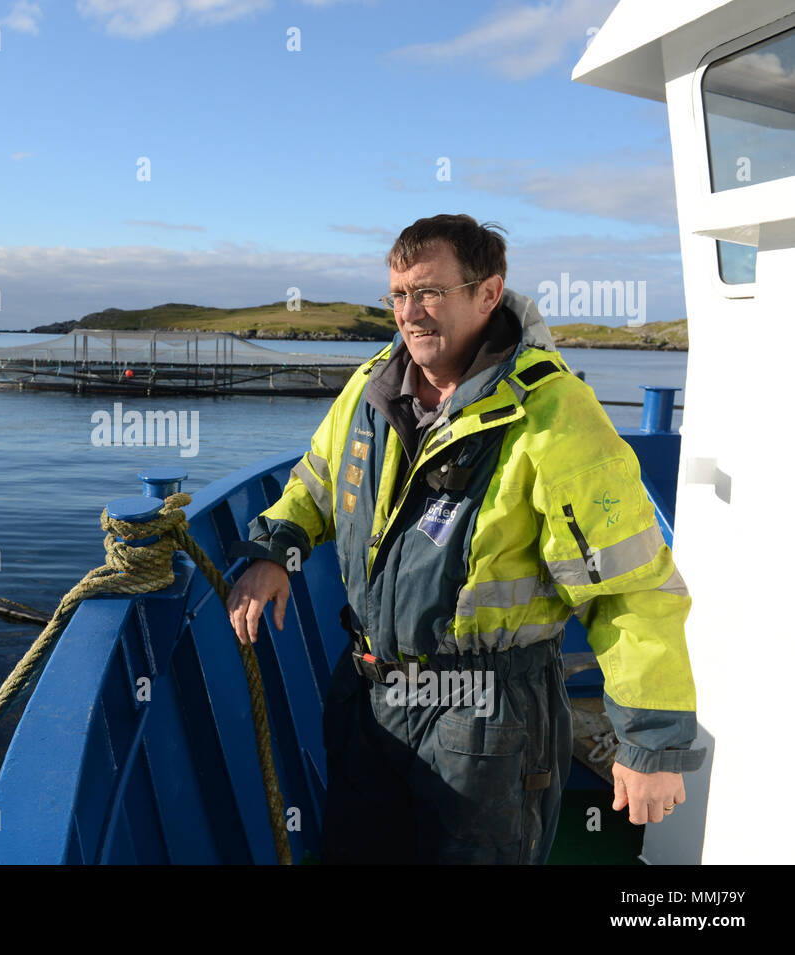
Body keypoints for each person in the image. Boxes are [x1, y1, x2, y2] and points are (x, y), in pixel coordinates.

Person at [225, 214, 705, 864]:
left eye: (429, 291)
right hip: (371, 695)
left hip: (487, 719)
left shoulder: (554, 415)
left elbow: (626, 590)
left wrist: (650, 743)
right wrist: (275, 549)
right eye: (397, 294)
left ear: (487, 292)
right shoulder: (371, 390)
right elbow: (314, 485)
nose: (410, 313)